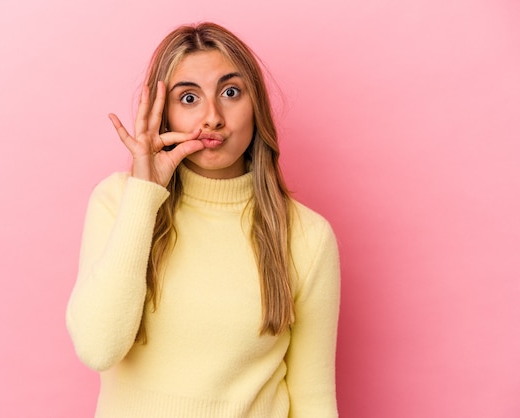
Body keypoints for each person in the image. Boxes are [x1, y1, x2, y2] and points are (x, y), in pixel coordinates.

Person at [66, 22, 341, 418]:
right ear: (163, 114)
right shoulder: (118, 202)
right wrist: (144, 195)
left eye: (231, 92)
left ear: (256, 105)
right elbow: (98, 347)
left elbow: (313, 400)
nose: (212, 117)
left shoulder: (307, 236)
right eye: (189, 97)